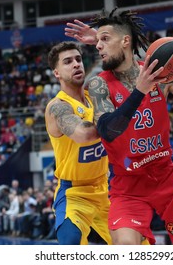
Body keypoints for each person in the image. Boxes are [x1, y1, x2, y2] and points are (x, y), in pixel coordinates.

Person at [65, 8, 173, 245]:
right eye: (98, 40)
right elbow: (107, 130)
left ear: (126, 41)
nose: (97, 45)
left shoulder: (159, 74)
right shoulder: (98, 85)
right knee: (126, 248)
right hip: (128, 185)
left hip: (166, 176)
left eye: (104, 39)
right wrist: (140, 91)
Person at [44, 41, 111, 245]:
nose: (76, 64)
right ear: (57, 73)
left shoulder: (96, 97)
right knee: (71, 243)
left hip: (107, 186)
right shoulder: (58, 107)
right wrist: (114, 121)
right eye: (68, 61)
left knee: (137, 245)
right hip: (74, 191)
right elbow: (84, 135)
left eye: (78, 59)